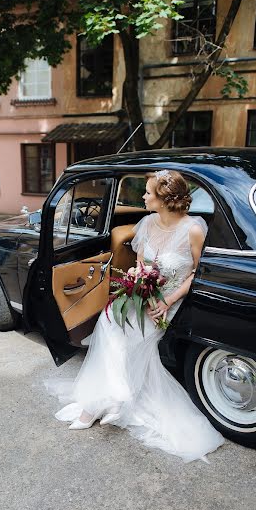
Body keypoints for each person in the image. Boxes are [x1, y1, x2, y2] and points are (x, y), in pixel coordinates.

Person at [45, 170, 225, 463]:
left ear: (165, 199)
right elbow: (141, 265)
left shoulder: (193, 229)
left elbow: (197, 273)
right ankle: (114, 397)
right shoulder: (146, 223)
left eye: (147, 192)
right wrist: (135, 277)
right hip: (143, 295)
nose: (142, 196)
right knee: (108, 322)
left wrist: (167, 300)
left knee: (132, 338)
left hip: (168, 300)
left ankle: (100, 405)